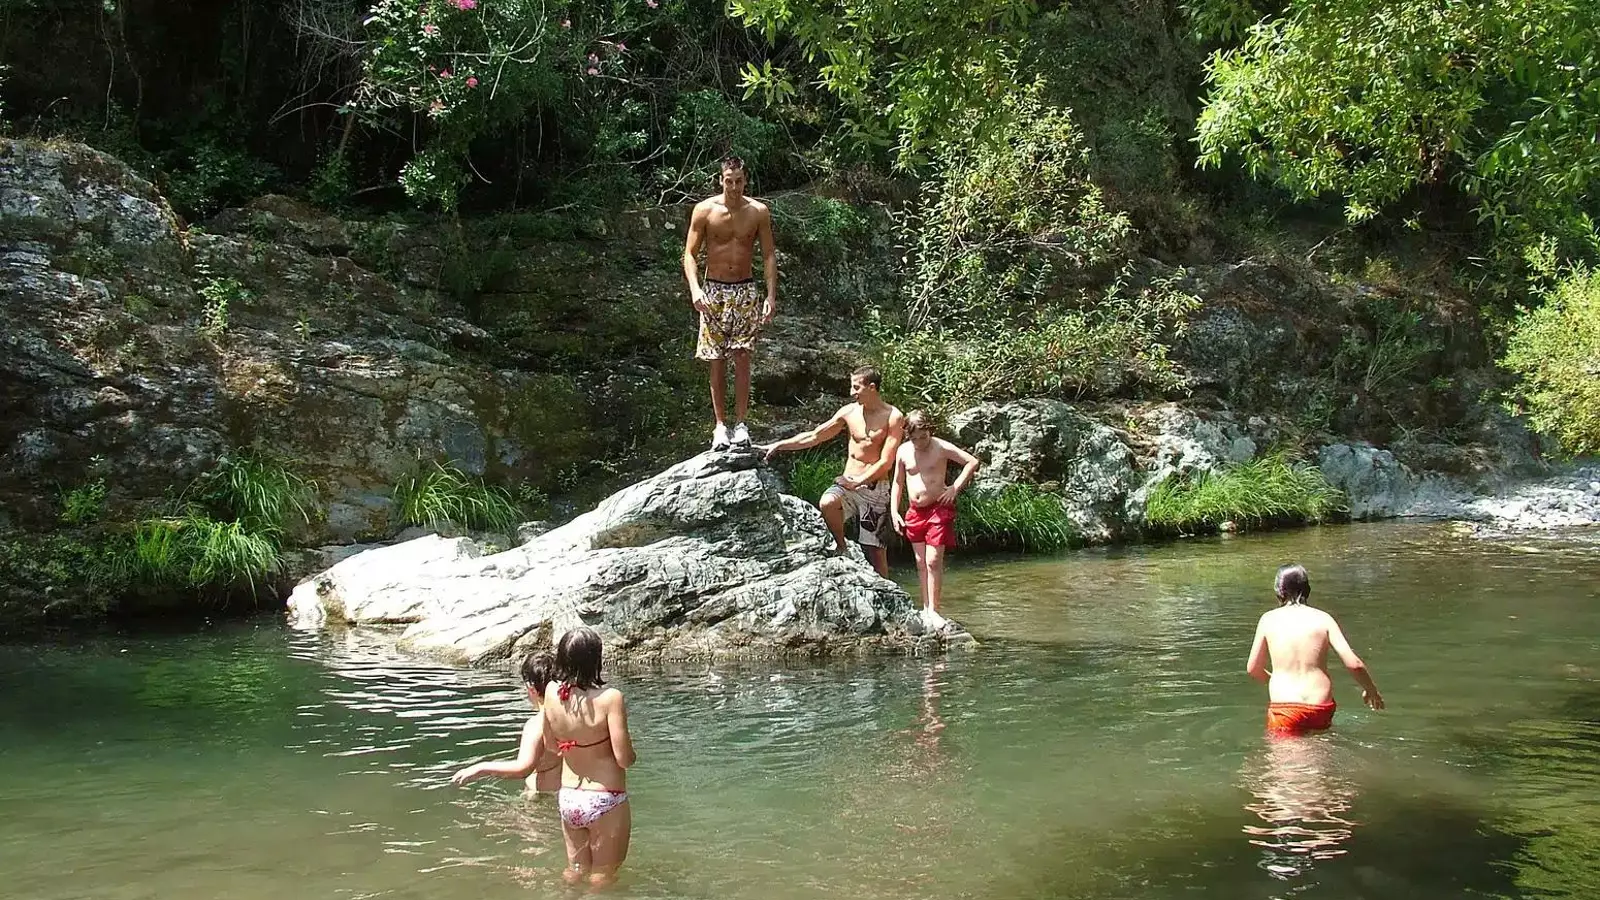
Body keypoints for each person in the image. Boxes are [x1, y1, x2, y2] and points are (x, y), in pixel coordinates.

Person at [762, 366, 905, 576]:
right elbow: (815, 435)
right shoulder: (849, 412)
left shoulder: (893, 416)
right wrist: (779, 445)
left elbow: (886, 462)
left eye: (856, 387)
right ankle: (841, 547)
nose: (852, 392)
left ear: (872, 387)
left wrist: (858, 482)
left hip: (875, 488)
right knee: (827, 502)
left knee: (875, 551)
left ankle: (886, 588)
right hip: (848, 482)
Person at [682, 155, 778, 451]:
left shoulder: (758, 211)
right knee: (716, 359)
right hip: (714, 290)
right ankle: (720, 426)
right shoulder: (705, 210)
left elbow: (768, 255)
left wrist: (770, 295)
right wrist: (695, 289)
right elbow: (689, 254)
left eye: (739, 181)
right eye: (729, 181)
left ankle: (741, 424)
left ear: (745, 180)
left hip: (745, 289)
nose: (734, 187)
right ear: (720, 180)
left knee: (743, 357)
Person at [542, 627, 637, 889]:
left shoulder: (550, 692)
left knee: (574, 871)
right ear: (596, 659)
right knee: (602, 877)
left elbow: (551, 746)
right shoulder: (610, 698)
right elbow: (624, 759)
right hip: (604, 797)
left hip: (569, 796)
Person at [1246, 564, 1385, 737]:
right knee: (1319, 748)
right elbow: (1354, 664)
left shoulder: (1268, 620)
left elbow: (1253, 669)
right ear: (1307, 589)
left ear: (1278, 591)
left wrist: (1276, 680)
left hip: (1285, 708)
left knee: (1287, 753)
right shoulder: (1324, 619)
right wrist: (1371, 690)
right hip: (1320, 705)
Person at [890, 410, 980, 627]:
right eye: (915, 438)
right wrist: (894, 511)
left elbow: (971, 462)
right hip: (915, 512)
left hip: (938, 510)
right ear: (907, 435)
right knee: (920, 562)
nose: (920, 442)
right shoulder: (903, 451)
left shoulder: (940, 447)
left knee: (933, 560)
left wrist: (955, 488)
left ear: (930, 431)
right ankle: (925, 608)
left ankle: (935, 609)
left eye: (924, 437)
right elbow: (898, 482)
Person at [450, 652, 562, 794]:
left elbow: (522, 768)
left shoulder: (536, 724)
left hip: (539, 796)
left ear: (531, 688)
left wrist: (481, 768)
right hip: (563, 791)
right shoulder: (569, 716)